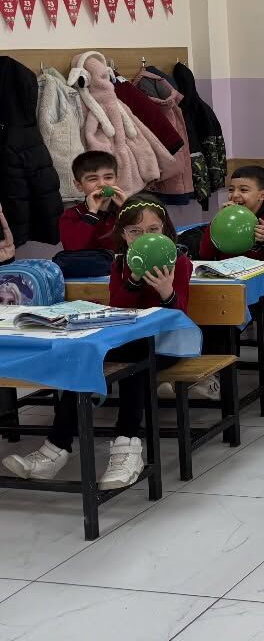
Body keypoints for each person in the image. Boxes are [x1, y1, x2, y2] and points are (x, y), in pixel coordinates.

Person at [3, 195, 191, 489]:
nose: (144, 237)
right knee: (83, 357)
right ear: (124, 235)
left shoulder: (179, 262)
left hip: (167, 345)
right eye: (135, 231)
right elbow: (120, 309)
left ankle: (127, 446)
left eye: (153, 230)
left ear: (165, 230)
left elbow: (179, 318)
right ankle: (56, 449)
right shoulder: (120, 264)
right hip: (130, 343)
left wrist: (167, 292)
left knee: (136, 360)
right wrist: (133, 281)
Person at [198, 165, 264, 261]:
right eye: (231, 190)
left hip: (259, 270)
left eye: (243, 190)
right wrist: (216, 221)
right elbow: (205, 254)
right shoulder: (225, 218)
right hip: (226, 269)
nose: (235, 195)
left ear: (262, 195)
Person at [57, 150, 126, 251]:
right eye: (93, 179)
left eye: (108, 177)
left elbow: (141, 242)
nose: (102, 184)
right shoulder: (71, 215)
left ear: (116, 180)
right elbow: (72, 249)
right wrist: (92, 213)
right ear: (79, 185)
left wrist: (127, 209)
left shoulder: (127, 209)